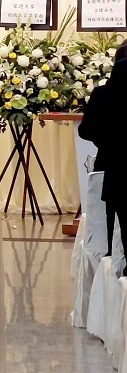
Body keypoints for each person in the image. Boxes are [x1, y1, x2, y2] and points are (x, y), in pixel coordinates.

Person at [79, 41, 127, 259]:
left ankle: (110, 262)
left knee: (112, 218)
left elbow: (85, 131)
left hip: (109, 163)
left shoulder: (101, 94)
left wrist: (105, 141)